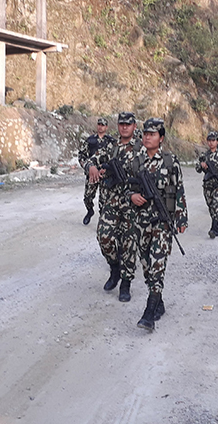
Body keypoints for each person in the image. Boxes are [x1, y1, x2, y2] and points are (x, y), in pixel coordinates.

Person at [127, 118, 188, 332]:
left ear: (161, 138)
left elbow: (179, 190)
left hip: (162, 222)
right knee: (146, 265)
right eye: (145, 134)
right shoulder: (136, 161)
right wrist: (132, 195)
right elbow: (126, 186)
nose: (147, 137)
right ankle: (159, 300)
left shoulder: (170, 161)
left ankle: (149, 312)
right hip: (140, 221)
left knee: (157, 263)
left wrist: (181, 218)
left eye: (152, 134)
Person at [86, 111, 143, 302]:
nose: (125, 127)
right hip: (112, 200)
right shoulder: (111, 145)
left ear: (134, 126)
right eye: (121, 124)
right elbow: (93, 158)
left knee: (129, 243)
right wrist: (92, 167)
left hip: (132, 204)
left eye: (128, 124)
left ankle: (126, 283)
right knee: (103, 236)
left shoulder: (141, 148)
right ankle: (114, 268)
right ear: (118, 126)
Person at [77, 118, 116, 225]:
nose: (100, 127)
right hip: (92, 174)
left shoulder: (111, 142)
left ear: (106, 127)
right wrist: (88, 167)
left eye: (103, 125)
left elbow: (115, 159)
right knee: (87, 197)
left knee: (104, 200)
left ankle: (102, 221)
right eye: (99, 124)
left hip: (105, 175)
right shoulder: (90, 140)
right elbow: (81, 156)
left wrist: (108, 169)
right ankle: (90, 211)